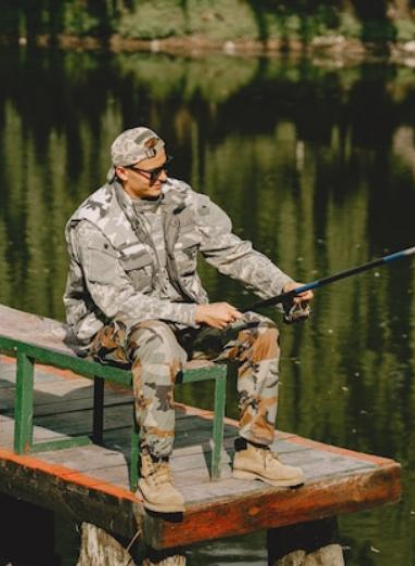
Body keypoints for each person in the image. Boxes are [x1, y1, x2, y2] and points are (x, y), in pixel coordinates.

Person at [63, 127, 313, 513]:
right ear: (122, 171)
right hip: (108, 330)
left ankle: (254, 452)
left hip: (180, 321)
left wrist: (284, 284)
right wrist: (196, 313)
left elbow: (234, 253)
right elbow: (117, 303)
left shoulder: (181, 199)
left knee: (260, 332)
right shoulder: (92, 223)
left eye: (164, 168)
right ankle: (155, 471)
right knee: (156, 342)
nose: (162, 178)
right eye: (152, 172)